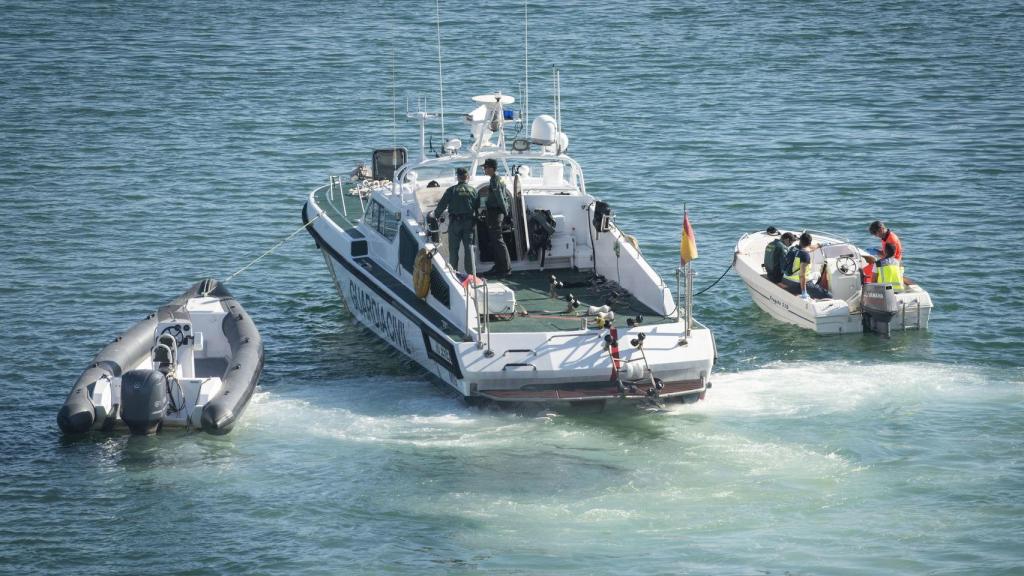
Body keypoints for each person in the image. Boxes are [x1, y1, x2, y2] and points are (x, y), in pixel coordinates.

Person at [432, 167, 479, 273]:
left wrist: (435, 215)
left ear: (458, 177)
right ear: (467, 177)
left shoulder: (451, 190)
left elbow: (442, 205)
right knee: (469, 250)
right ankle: (471, 275)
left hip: (455, 224)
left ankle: (453, 273)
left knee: (453, 250)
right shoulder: (473, 191)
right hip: (469, 224)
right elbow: (477, 206)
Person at [480, 158, 512, 276]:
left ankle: (505, 269)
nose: (484, 169)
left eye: (486, 167)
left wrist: (506, 213)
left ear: (492, 168)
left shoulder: (494, 181)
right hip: (496, 213)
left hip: (495, 213)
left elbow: (500, 198)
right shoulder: (499, 179)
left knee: (498, 241)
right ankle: (499, 266)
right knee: (495, 241)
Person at [781, 232, 830, 299]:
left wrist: (820, 245)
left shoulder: (792, 249)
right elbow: (802, 275)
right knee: (828, 296)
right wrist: (804, 292)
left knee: (816, 275)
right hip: (796, 284)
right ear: (809, 243)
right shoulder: (805, 255)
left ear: (800, 241)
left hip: (785, 279)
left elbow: (810, 248)